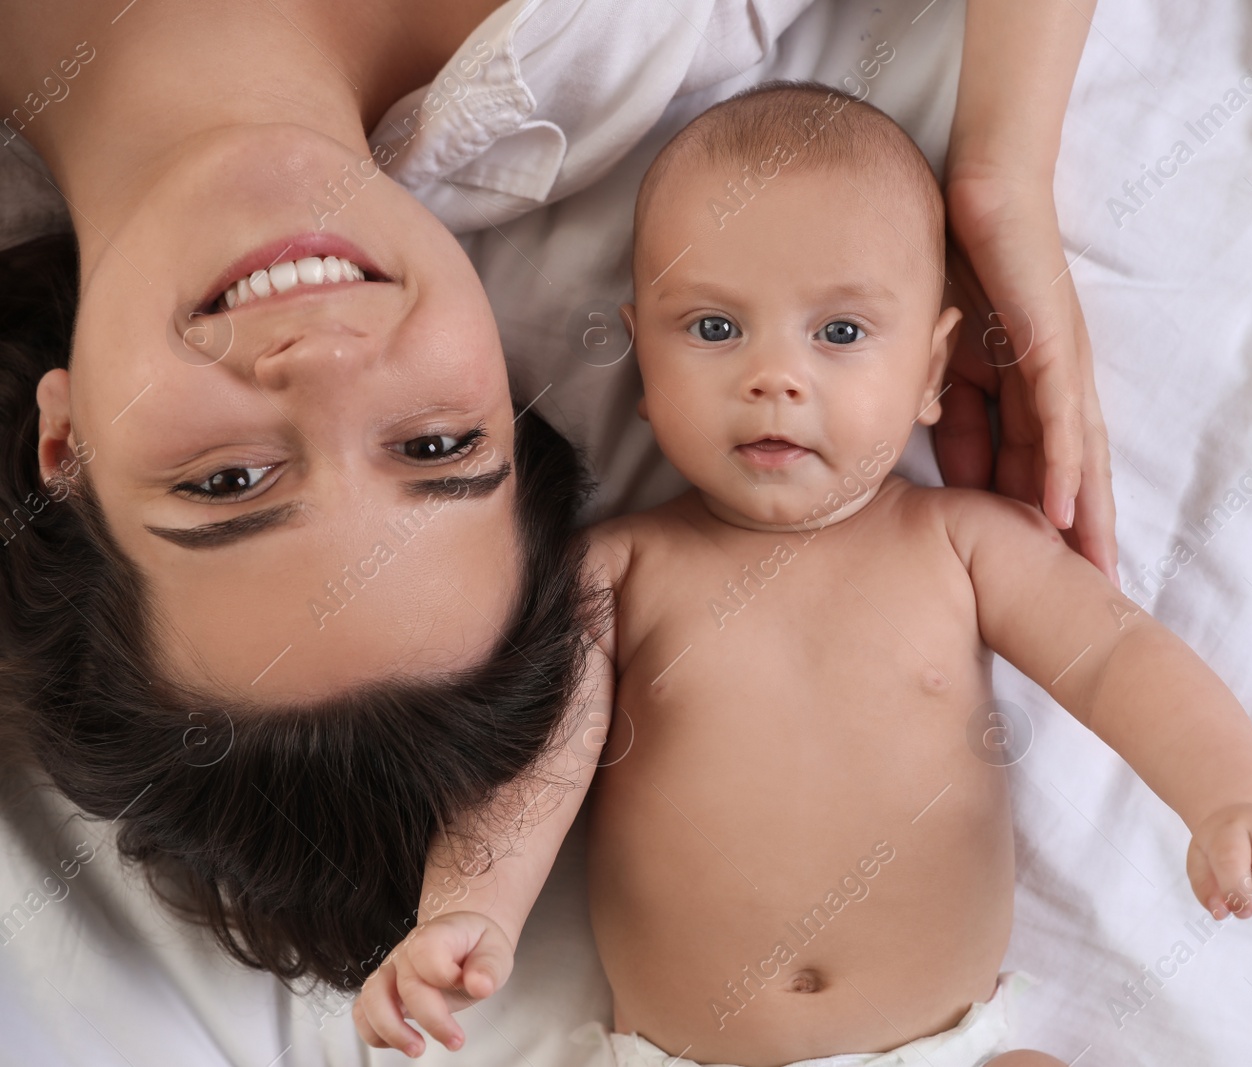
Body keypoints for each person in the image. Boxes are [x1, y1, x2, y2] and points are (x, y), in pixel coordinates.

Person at [0, 0, 1117, 997]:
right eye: (436, 444)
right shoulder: (606, 42)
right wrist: (998, 174)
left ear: (66, 444)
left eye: (230, 480)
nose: (330, 362)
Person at [353, 84, 1252, 1066]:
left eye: (839, 333)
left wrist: (1234, 797)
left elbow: (1118, 660)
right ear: (641, 364)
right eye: (712, 327)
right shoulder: (615, 572)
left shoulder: (964, 544)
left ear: (933, 371)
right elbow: (538, 768)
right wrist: (465, 910)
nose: (775, 376)